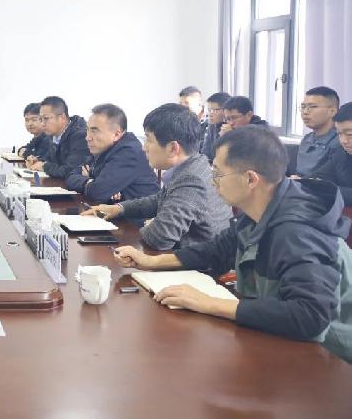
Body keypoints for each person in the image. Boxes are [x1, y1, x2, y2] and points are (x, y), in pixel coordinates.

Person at [114, 126, 352, 363]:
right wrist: (151, 261)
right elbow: (218, 250)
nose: (213, 182)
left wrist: (209, 303)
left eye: (218, 174)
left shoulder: (297, 231)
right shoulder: (264, 208)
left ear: (250, 179)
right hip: (291, 342)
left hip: (332, 357)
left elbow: (310, 316)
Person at [83, 104, 231, 249]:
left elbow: (160, 238)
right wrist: (117, 209)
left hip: (195, 262)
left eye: (149, 140)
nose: (144, 147)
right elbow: (159, 200)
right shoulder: (194, 164)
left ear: (173, 148)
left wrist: (149, 224)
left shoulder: (191, 179)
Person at [65, 103, 159, 203]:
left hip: (140, 212)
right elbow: (71, 176)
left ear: (116, 134)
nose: (88, 137)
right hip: (112, 208)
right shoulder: (104, 148)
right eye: (88, 130)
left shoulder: (129, 153)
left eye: (94, 131)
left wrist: (93, 183)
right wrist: (90, 181)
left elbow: (98, 192)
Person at [25, 96, 90, 178]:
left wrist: (44, 166)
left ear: (62, 117)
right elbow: (51, 160)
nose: (42, 124)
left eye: (46, 118)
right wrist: (37, 160)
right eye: (41, 119)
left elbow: (71, 170)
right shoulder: (53, 134)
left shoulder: (80, 136)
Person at [293, 86, 341, 177]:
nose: (305, 112)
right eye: (303, 107)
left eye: (313, 107)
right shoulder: (307, 139)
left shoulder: (341, 142)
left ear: (332, 111)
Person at [311, 102, 352, 205]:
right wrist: (302, 182)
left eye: (349, 134)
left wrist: (325, 189)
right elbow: (318, 177)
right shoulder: (341, 153)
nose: (343, 141)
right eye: (339, 133)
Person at [201, 92, 230, 162]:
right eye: (209, 110)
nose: (210, 114)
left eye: (215, 110)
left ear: (226, 110)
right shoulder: (212, 125)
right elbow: (206, 153)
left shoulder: (233, 127)